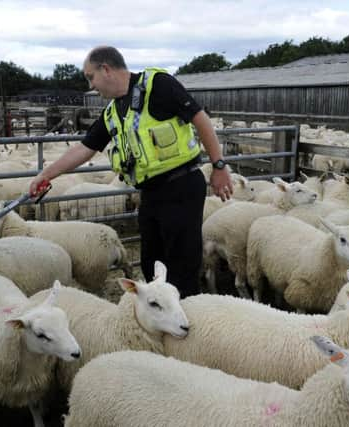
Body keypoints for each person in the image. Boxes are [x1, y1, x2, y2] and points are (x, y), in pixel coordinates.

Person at [29, 46, 232, 297]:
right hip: (151, 193)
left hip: (181, 186)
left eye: (90, 77)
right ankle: (161, 317)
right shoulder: (114, 111)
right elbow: (85, 148)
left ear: (106, 69)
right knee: (151, 263)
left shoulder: (158, 85)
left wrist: (218, 165)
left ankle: (186, 319)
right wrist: (46, 174)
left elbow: (200, 118)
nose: (92, 86)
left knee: (182, 265)